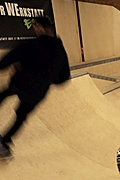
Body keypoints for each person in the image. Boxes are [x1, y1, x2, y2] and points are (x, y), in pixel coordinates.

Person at [0, 16, 70, 159]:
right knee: (21, 117)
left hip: (20, 83)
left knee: (3, 95)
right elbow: (64, 78)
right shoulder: (61, 50)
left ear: (39, 27)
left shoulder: (32, 44)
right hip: (37, 92)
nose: (35, 31)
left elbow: (7, 60)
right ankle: (4, 143)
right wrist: (48, 78)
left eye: (35, 28)